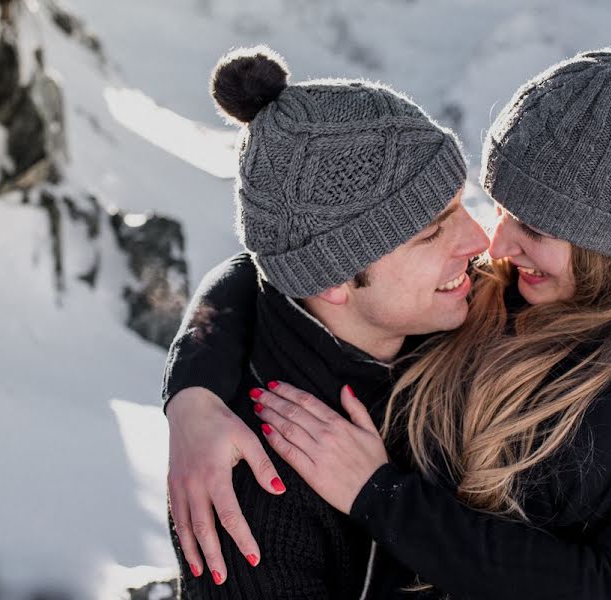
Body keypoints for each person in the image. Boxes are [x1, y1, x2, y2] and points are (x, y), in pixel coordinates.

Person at [166, 49, 611, 599]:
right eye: (497, 206)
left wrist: (380, 497)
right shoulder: (489, 292)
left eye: (534, 226)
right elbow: (286, 263)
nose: (492, 244)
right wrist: (193, 394)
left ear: (604, 239)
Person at [164, 45, 488, 598]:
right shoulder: (250, 490)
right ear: (331, 279)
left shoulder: (459, 314)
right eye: (432, 231)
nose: (480, 242)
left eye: (460, 206)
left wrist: (189, 386)